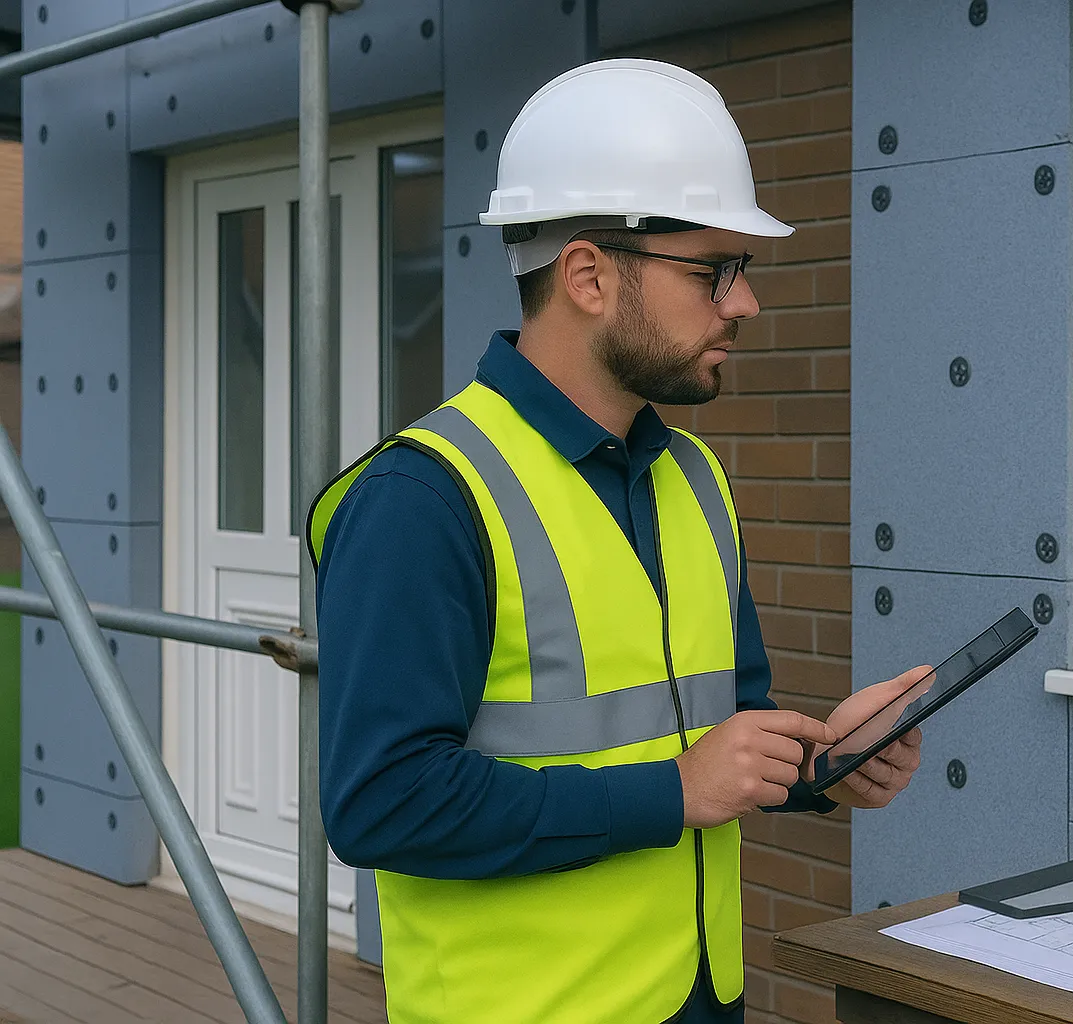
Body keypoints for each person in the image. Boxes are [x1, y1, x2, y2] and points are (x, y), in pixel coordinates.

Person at [309, 58, 928, 1024]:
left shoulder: (696, 478)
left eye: (742, 271)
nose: (743, 305)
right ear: (589, 275)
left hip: (701, 998)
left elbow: (723, 729)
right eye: (712, 270)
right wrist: (674, 791)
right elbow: (381, 803)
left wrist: (821, 764)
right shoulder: (422, 497)